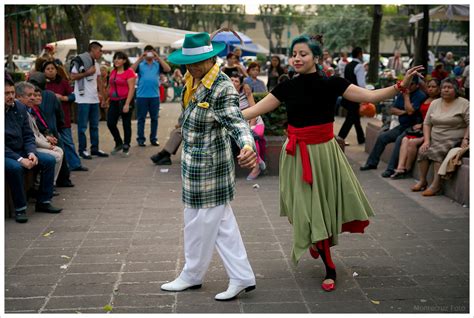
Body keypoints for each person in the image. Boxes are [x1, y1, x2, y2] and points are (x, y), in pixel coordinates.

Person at [241, 34, 423, 292]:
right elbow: (253, 111)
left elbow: (370, 97)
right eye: (294, 54)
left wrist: (400, 85)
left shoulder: (333, 83)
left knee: (319, 211)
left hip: (323, 155)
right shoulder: (286, 87)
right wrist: (219, 115)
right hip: (295, 155)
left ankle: (329, 267)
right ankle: (315, 242)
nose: (297, 58)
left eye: (303, 54)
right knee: (299, 210)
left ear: (316, 57)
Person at [159, 31, 258, 301]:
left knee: (204, 223)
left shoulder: (222, 86)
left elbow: (236, 121)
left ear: (211, 59)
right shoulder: (193, 79)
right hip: (193, 167)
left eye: (197, 62)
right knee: (206, 222)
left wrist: (248, 146)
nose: (191, 67)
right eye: (188, 63)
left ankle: (196, 275)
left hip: (212, 168)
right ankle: (236, 276)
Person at [6, 79, 62, 223]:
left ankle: (43, 201)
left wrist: (31, 152)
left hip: (22, 150)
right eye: (6, 93)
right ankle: (20, 208)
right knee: (15, 168)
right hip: (6, 153)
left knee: (49, 160)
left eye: (12, 92)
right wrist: (20, 159)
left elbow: (28, 135)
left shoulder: (19, 107)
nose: (11, 96)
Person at [361, 75, 426, 177]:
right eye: (408, 84)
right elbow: (393, 110)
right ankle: (371, 163)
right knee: (382, 137)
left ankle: (390, 169)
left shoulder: (420, 95)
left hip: (412, 127)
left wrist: (407, 98)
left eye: (411, 84)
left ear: (417, 85)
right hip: (402, 125)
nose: (408, 86)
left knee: (399, 140)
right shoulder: (402, 94)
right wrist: (405, 111)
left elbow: (410, 111)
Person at [413, 78, 469, 196]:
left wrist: (466, 139)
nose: (446, 90)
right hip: (436, 138)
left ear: (456, 90)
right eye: (444, 87)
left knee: (437, 152)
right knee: (423, 151)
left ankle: (436, 185)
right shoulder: (435, 103)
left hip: (454, 138)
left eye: (449, 87)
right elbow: (427, 123)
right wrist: (426, 141)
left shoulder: (464, 103)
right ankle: (423, 181)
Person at [42, 60, 88, 172]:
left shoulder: (63, 82)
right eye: (47, 69)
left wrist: (63, 98)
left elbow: (72, 96)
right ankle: (61, 167)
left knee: (68, 142)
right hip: (48, 118)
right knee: (52, 143)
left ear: (56, 70)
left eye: (52, 69)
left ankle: (75, 164)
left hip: (63, 117)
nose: (50, 71)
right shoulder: (42, 83)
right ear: (43, 71)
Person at [390, 79, 441, 179]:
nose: (430, 89)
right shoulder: (425, 98)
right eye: (429, 86)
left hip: (431, 130)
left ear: (439, 89)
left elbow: (435, 119)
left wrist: (422, 125)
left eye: (433, 87)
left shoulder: (439, 102)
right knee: (405, 139)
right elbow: (416, 113)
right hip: (420, 128)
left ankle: (407, 169)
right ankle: (400, 168)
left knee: (412, 142)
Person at [70, 41, 109, 159]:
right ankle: (82, 150)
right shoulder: (80, 61)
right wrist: (87, 73)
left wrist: (102, 97)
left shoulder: (96, 64)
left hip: (94, 99)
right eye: (99, 51)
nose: (101, 53)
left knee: (95, 126)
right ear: (92, 49)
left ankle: (95, 149)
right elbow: (72, 77)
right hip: (83, 99)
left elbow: (99, 81)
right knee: (82, 126)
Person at [131, 45, 171, 147]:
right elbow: (130, 71)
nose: (149, 53)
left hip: (154, 96)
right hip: (141, 96)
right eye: (147, 51)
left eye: (151, 51)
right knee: (141, 119)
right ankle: (140, 139)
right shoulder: (140, 64)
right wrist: (140, 58)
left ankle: (153, 139)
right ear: (144, 52)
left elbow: (168, 69)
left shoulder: (157, 64)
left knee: (154, 118)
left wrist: (158, 57)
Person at [230, 72, 266, 180]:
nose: (233, 82)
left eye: (236, 81)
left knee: (251, 136)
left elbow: (254, 111)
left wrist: (251, 126)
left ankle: (256, 168)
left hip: (255, 124)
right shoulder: (227, 95)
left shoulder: (246, 93)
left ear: (241, 85)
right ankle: (259, 161)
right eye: (231, 80)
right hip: (240, 127)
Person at [26, 87, 65, 184]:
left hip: (41, 139)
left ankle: (51, 183)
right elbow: (33, 135)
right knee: (55, 156)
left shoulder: (38, 109)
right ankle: (42, 183)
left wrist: (48, 138)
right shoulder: (28, 112)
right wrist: (47, 144)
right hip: (32, 146)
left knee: (59, 150)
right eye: (34, 96)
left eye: (39, 96)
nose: (36, 98)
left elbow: (41, 130)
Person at [107, 51, 136, 156]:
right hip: (113, 102)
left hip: (125, 101)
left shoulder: (129, 72)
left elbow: (131, 89)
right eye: (115, 58)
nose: (116, 60)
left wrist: (127, 104)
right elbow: (110, 86)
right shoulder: (113, 72)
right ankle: (118, 142)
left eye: (119, 58)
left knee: (126, 123)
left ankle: (126, 144)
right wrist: (105, 100)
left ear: (124, 61)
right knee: (110, 123)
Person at [337, 47, 366, 145]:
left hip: (347, 94)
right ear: (359, 54)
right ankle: (340, 138)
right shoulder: (359, 66)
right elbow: (361, 84)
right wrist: (364, 97)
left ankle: (361, 138)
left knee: (355, 117)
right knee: (351, 118)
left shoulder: (347, 65)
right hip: (355, 96)